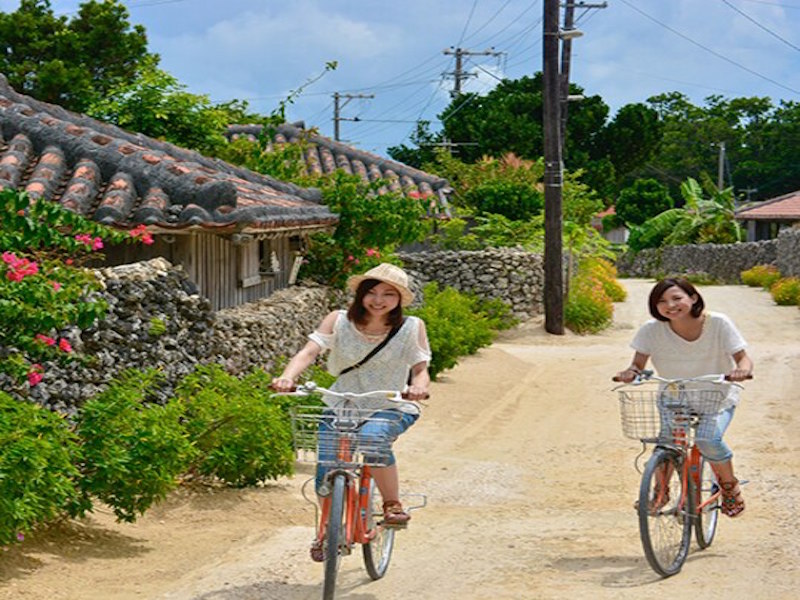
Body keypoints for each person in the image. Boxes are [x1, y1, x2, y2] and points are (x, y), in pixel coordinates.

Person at [272, 263, 431, 558]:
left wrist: (418, 387)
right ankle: (327, 531)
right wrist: (287, 377)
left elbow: (420, 368)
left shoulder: (412, 327)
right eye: (372, 292)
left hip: (389, 403)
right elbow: (309, 351)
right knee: (326, 467)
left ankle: (391, 504)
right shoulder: (338, 320)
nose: (378, 300)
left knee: (373, 439)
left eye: (388, 294)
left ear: (399, 299)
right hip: (342, 402)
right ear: (360, 294)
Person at [615, 277, 753, 517]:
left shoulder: (718, 323)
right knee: (668, 442)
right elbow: (637, 364)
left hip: (715, 397)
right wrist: (631, 373)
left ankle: (730, 487)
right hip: (674, 397)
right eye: (662, 301)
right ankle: (660, 492)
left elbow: (743, 358)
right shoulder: (651, 330)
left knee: (708, 439)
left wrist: (742, 370)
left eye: (677, 298)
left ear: (693, 298)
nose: (670, 305)